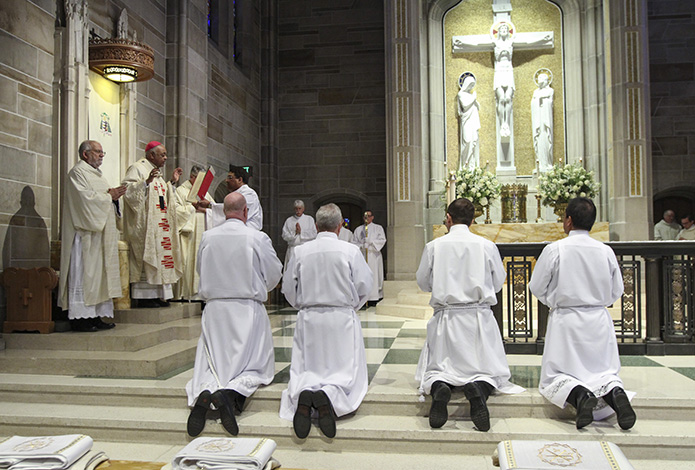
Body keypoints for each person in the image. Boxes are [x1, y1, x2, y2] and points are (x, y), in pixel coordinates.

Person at [415, 198, 523, 431]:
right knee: (487, 372)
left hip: (446, 319)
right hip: (478, 320)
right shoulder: (486, 245)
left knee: (438, 370)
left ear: (449, 218)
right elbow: (497, 282)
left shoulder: (434, 246)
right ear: (473, 221)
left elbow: (423, 282)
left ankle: (440, 389)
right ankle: (479, 389)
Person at [529, 197, 636, 430]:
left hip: (566, 321)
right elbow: (617, 289)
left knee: (557, 374)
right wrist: (597, 303)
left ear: (568, 221)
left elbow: (536, 286)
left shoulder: (555, 249)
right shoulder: (605, 250)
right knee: (603, 371)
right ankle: (615, 393)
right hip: (598, 320)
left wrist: (555, 302)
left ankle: (579, 395)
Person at [185, 192, 282, 437]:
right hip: (247, 310)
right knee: (255, 367)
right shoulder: (256, 238)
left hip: (215, 309)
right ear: (245, 212)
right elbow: (274, 274)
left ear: (224, 212)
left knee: (214, 364)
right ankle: (230, 395)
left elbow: (200, 268)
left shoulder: (208, 237)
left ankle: (206, 392)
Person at [280, 203, 373, 439]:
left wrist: (304, 306)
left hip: (309, 317)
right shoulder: (350, 251)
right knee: (345, 371)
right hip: (341, 317)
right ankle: (331, 396)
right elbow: (365, 286)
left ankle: (305, 395)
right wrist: (351, 306)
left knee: (307, 367)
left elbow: (289, 289)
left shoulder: (301, 252)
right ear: (340, 225)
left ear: (317, 225)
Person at [58, 140, 125, 332]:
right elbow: (84, 200)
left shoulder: (97, 175)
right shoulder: (77, 173)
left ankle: (95, 316)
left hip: (99, 236)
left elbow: (101, 198)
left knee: (99, 278)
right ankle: (80, 319)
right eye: (98, 152)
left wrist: (112, 199)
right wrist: (108, 197)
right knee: (85, 277)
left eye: (103, 152)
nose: (102, 155)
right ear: (85, 154)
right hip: (85, 236)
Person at [122, 141, 183, 308]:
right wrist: (145, 182)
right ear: (151, 155)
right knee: (149, 257)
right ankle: (144, 297)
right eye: (162, 154)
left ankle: (157, 295)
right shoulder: (138, 168)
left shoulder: (157, 173)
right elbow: (127, 191)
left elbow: (162, 198)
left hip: (159, 224)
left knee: (160, 257)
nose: (165, 158)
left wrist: (171, 183)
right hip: (146, 226)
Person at [174, 165, 214, 300]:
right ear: (192, 177)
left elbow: (214, 211)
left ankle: (202, 294)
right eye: (200, 180)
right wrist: (191, 208)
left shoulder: (205, 193)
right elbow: (175, 211)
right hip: (189, 234)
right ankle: (188, 294)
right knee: (189, 260)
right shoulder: (180, 191)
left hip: (204, 231)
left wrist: (207, 208)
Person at [353, 210, 386, 306]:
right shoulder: (358, 229)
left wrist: (372, 242)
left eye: (369, 216)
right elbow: (354, 242)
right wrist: (362, 246)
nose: (367, 218)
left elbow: (382, 240)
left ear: (372, 217)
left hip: (373, 255)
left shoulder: (378, 228)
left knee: (374, 276)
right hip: (363, 255)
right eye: (365, 216)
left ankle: (374, 297)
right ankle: (364, 298)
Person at [281, 200, 317, 269]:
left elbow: (314, 234)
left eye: (300, 208)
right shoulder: (289, 220)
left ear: (303, 209)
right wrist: (295, 233)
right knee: (291, 270)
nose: (298, 210)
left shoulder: (309, 219)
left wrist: (301, 232)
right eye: (296, 208)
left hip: (305, 248)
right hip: (292, 249)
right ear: (294, 209)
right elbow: (284, 235)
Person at [531, 72, 554, 172]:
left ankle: (547, 163)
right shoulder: (536, 92)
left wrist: (543, 100)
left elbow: (550, 103)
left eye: (542, 78)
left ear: (547, 80)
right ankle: (540, 163)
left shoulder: (550, 90)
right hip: (538, 121)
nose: (540, 79)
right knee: (539, 140)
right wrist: (537, 101)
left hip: (545, 120)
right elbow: (533, 103)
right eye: (539, 78)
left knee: (546, 139)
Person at [457, 75, 481, 170]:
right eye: (470, 85)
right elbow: (465, 105)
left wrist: (474, 100)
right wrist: (473, 98)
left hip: (473, 122)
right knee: (467, 141)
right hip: (466, 121)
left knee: (473, 141)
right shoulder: (461, 94)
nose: (471, 87)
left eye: (472, 85)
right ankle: (464, 166)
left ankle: (471, 167)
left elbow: (478, 107)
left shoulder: (471, 96)